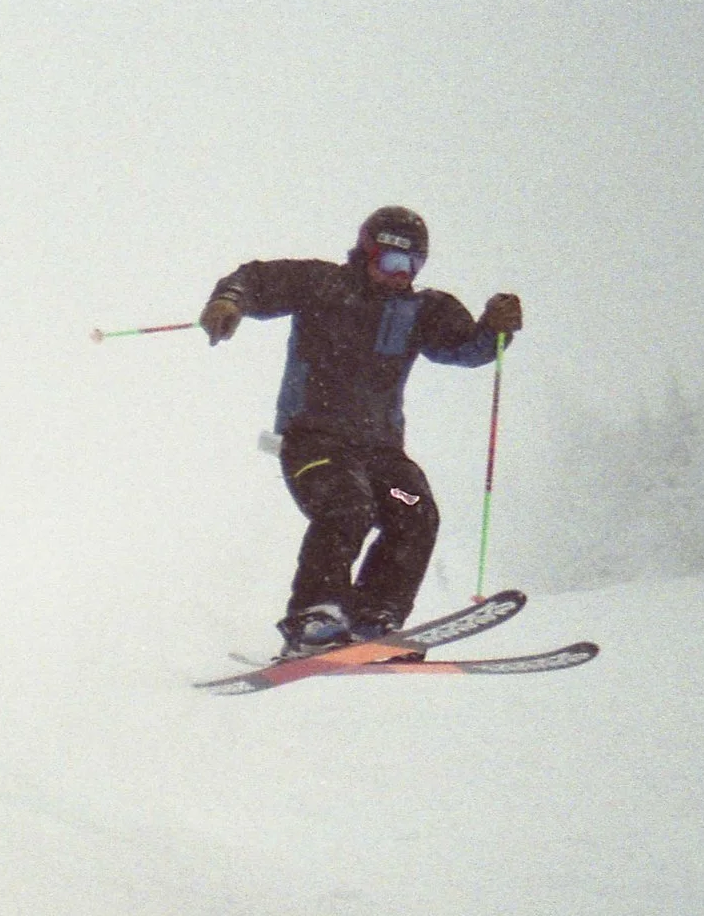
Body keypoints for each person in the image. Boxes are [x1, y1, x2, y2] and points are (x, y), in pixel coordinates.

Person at [199, 206, 522, 658]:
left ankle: (377, 617)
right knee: (349, 505)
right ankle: (316, 615)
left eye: (412, 266)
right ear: (368, 252)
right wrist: (229, 300)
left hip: (381, 454)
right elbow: (254, 280)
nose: (400, 275)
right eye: (392, 262)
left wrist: (494, 330)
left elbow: (466, 349)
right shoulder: (323, 285)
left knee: (413, 509)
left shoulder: (423, 309)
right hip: (313, 443)